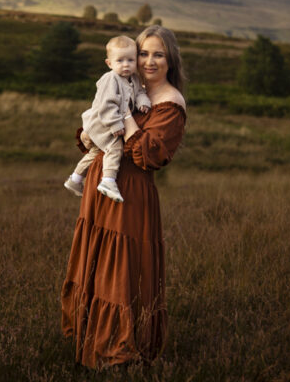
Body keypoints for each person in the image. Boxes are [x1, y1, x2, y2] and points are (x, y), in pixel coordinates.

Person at [60, 25, 187, 369]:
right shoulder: (126, 85)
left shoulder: (170, 103)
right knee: (99, 262)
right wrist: (91, 133)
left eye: (158, 54)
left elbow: (149, 154)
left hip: (130, 193)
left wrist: (125, 115)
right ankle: (91, 341)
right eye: (143, 53)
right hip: (102, 185)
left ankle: (120, 351)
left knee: (123, 270)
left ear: (171, 60)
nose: (148, 61)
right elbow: (95, 130)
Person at [64, 36, 151, 203]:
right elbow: (107, 105)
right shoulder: (110, 79)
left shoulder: (134, 79)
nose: (126, 65)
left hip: (108, 122)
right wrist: (115, 124)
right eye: (120, 60)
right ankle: (108, 181)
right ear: (109, 63)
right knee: (115, 147)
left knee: (96, 151)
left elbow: (140, 92)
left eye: (130, 60)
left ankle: (75, 179)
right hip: (102, 122)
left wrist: (143, 102)